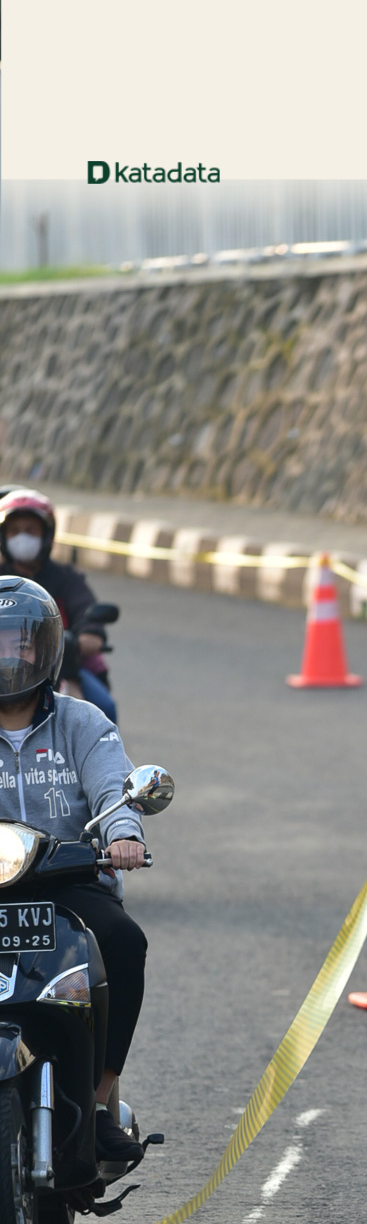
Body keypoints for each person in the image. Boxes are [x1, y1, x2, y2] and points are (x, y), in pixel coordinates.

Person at [0, 574, 148, 1163]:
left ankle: (100, 1099)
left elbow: (114, 786)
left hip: (68, 883)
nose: (10, 657)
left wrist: (124, 835)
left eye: (21, 643)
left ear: (45, 648)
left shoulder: (82, 722)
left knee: (124, 942)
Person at [0, 487, 119, 721]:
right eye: (14, 531)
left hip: (66, 668)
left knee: (105, 707)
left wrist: (88, 634)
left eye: (30, 530)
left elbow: (85, 610)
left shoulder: (66, 579)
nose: (22, 537)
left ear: (47, 535)